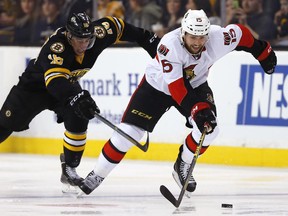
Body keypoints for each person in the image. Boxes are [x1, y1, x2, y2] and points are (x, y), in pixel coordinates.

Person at [78, 9, 277, 197]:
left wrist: (262, 51)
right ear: (183, 32)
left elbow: (241, 34)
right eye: (193, 37)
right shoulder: (169, 45)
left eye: (202, 37)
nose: (198, 42)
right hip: (158, 86)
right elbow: (177, 88)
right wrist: (197, 110)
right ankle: (97, 174)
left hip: (196, 84)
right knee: (128, 134)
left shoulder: (218, 38)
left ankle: (183, 164)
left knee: (210, 129)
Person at [0, 12, 159, 191]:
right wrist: (75, 97)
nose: (84, 45)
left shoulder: (99, 33)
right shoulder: (57, 46)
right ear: (69, 35)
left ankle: (69, 168)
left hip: (65, 83)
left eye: (87, 40)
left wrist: (150, 42)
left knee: (80, 114)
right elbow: (55, 82)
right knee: (5, 125)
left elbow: (119, 26)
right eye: (79, 40)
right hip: (34, 89)